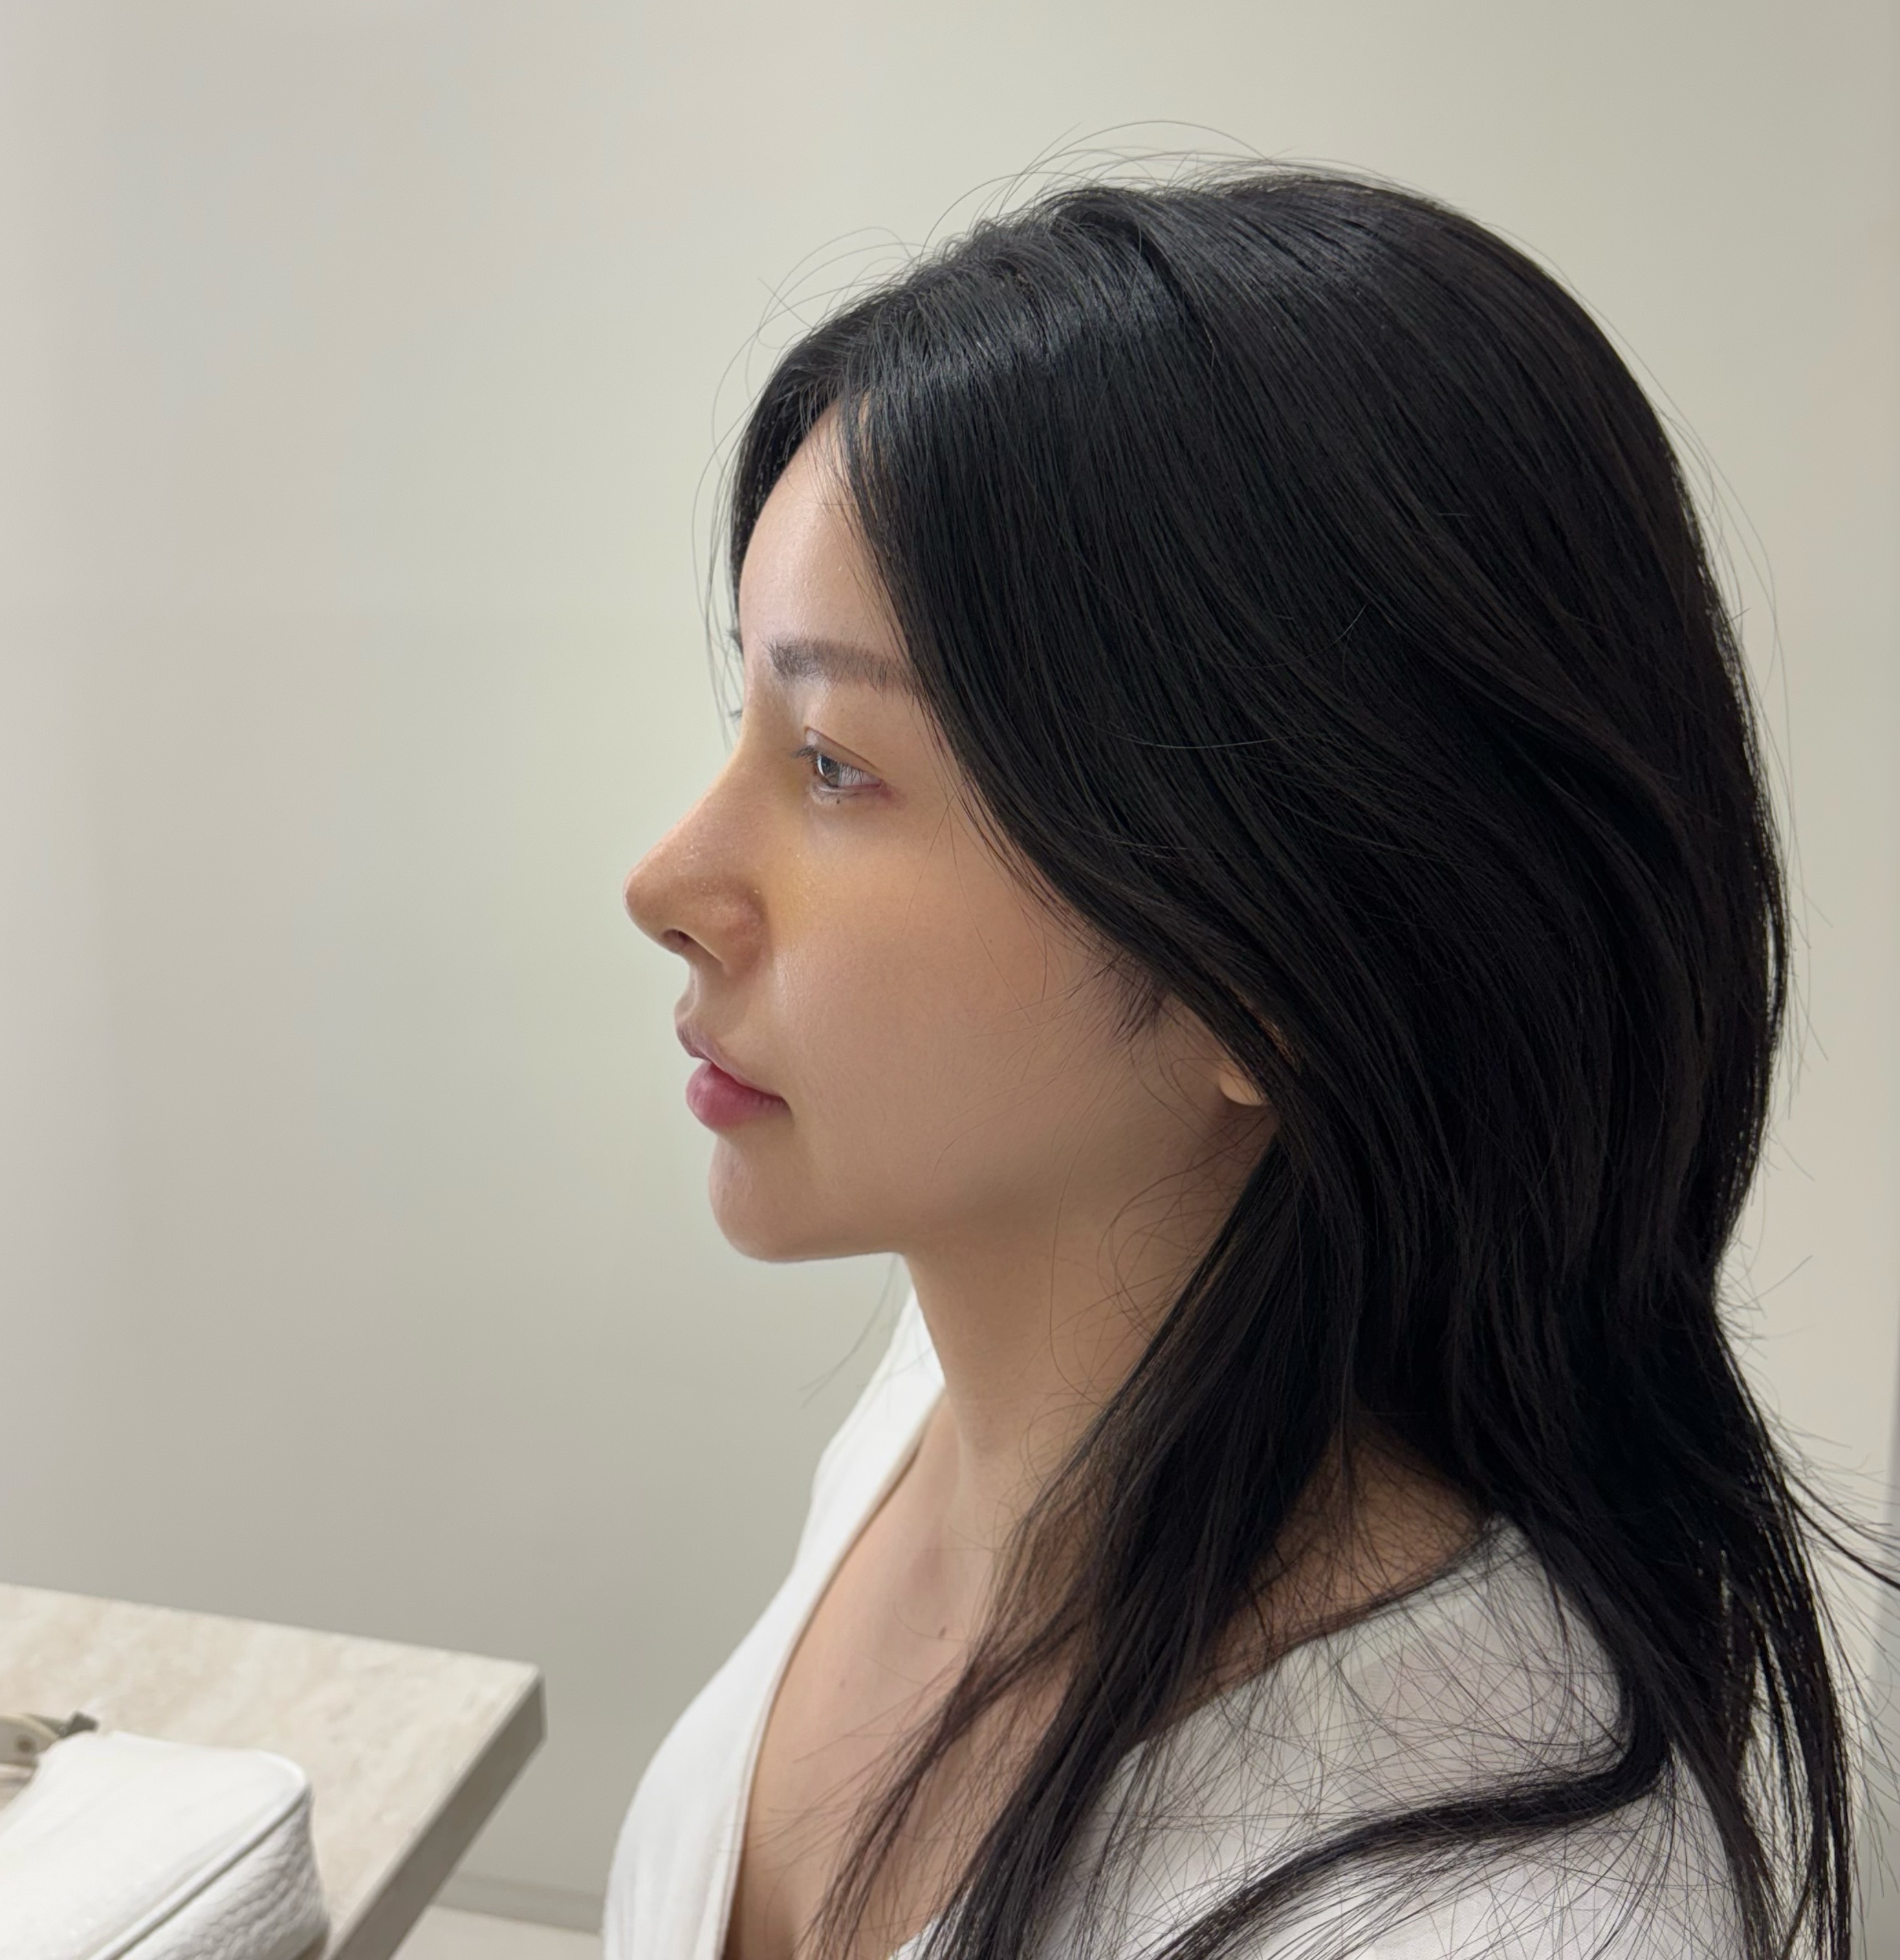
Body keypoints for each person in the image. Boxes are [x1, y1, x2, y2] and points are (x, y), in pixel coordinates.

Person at [610, 166, 1865, 1960]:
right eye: (751, 709)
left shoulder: (1506, 1925)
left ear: (1276, 959)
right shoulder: (953, 1395)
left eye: (833, 763)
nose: (666, 884)